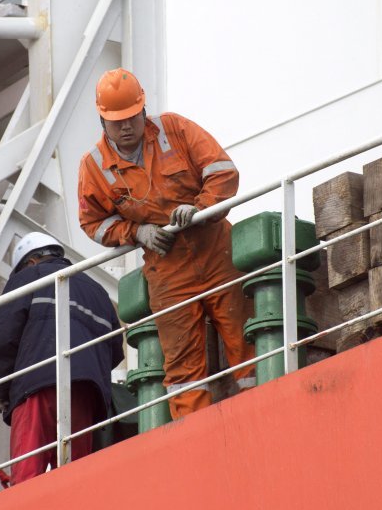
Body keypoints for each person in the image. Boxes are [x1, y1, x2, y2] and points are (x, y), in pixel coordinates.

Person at [77, 68, 255, 420]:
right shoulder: (94, 167)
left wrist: (200, 208)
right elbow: (93, 223)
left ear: (143, 111)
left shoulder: (175, 130)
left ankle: (264, 409)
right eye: (117, 122)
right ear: (102, 121)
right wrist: (136, 232)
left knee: (246, 340)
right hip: (168, 273)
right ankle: (196, 438)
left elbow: (223, 172)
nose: (126, 127)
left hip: (217, 253)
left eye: (131, 117)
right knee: (183, 368)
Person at [0, 232, 124, 485]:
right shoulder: (97, 292)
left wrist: (0, 388)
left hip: (36, 388)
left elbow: (5, 336)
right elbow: (115, 351)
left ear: (29, 262)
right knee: (75, 480)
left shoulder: (28, 278)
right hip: (86, 393)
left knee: (28, 477)